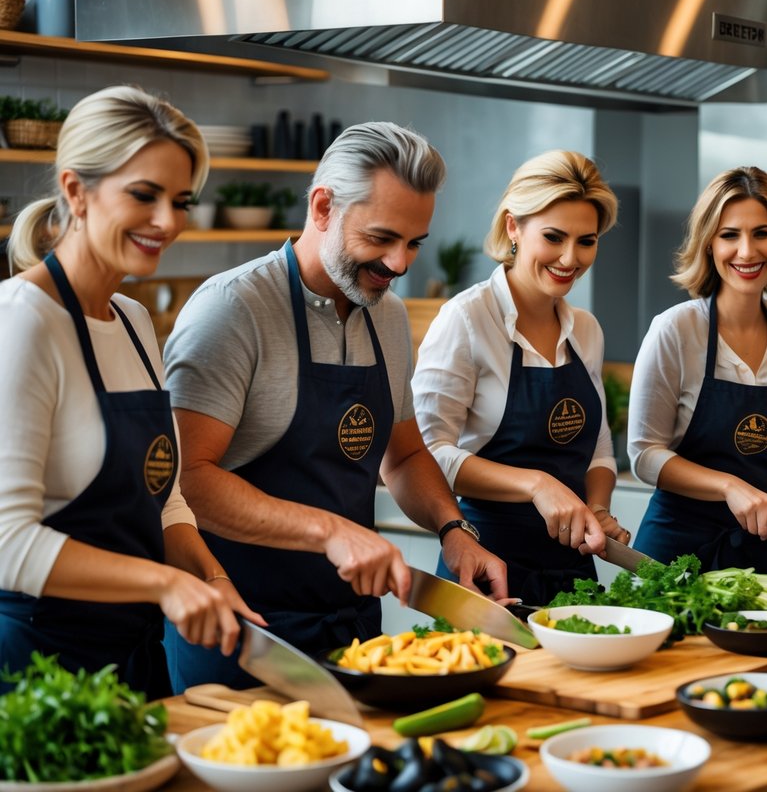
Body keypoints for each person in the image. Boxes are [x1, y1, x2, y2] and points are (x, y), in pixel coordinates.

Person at [161, 122, 509, 692]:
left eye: (415, 242)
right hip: (241, 630)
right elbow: (186, 480)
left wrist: (454, 530)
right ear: (323, 207)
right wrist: (329, 532)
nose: (400, 263)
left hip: (352, 628)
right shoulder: (233, 310)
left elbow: (403, 456)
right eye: (381, 238)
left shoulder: (387, 315)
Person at [0, 85, 261, 697]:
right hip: (38, 677)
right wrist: (163, 584)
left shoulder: (135, 321)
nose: (167, 222)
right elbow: (7, 543)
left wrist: (210, 576)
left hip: (135, 666)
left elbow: (163, 497)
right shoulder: (22, 323)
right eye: (143, 196)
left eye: (181, 201)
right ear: (75, 191)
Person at [412, 151, 621, 605]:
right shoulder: (465, 320)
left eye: (587, 241)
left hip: (572, 571)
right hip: (485, 568)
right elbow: (428, 455)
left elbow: (599, 447)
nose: (570, 258)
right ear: (513, 227)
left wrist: (598, 507)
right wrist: (537, 484)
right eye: (553, 237)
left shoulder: (585, 329)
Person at [628, 166, 767, 575]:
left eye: (762, 233)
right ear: (709, 245)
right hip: (676, 553)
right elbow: (644, 454)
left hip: (766, 552)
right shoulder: (677, 329)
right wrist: (729, 487)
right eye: (730, 235)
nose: (747, 252)